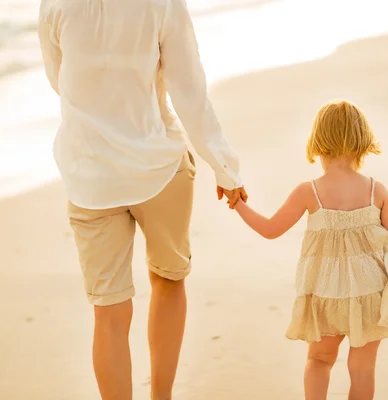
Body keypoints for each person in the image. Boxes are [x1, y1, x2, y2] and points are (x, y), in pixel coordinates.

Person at [37, 0, 247, 399]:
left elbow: (58, 78)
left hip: (90, 177)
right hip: (158, 169)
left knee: (109, 311)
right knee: (168, 279)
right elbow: (189, 87)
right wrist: (224, 166)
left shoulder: (55, 5)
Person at [233, 100, 388, 400]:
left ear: (317, 142)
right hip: (372, 293)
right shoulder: (377, 190)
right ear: (362, 139)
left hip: (326, 293)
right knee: (362, 369)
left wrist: (238, 203)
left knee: (319, 360)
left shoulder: (309, 192)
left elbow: (270, 229)